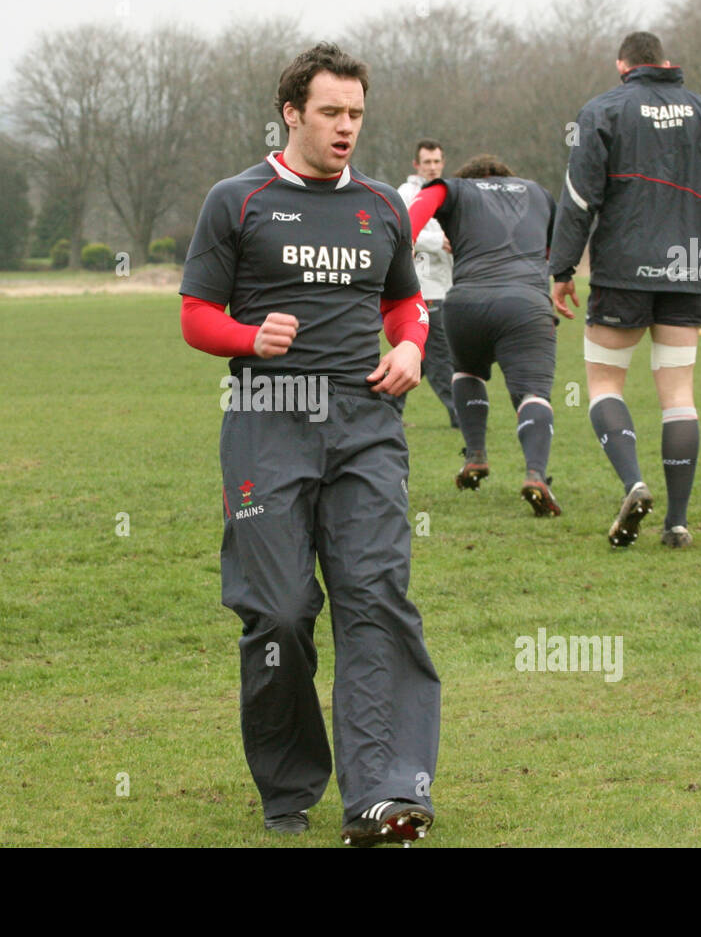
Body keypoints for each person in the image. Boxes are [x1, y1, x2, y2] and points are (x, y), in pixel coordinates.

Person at [178, 43, 441, 847]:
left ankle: (386, 793)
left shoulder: (381, 207)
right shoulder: (238, 200)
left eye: (356, 114)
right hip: (268, 422)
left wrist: (411, 350)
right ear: (292, 112)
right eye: (330, 112)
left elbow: (404, 305)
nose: (345, 128)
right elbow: (195, 315)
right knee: (282, 612)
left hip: (367, 427)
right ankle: (289, 782)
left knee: (376, 598)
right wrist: (251, 337)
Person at [550, 31, 701, 549]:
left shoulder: (603, 110)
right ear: (664, 62)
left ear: (623, 67)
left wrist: (562, 269)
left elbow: (577, 199)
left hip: (621, 272)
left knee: (605, 384)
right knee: (679, 394)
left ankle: (634, 482)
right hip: (691, 271)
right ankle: (677, 523)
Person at [407, 154, 561, 515]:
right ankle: (535, 474)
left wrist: (406, 246)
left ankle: (475, 455)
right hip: (526, 305)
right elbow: (556, 249)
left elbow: (411, 217)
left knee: (467, 371)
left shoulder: (453, 188)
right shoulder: (539, 192)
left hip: (465, 304)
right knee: (532, 394)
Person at [396, 140, 458, 427]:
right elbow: (402, 230)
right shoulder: (407, 193)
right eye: (427, 162)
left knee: (417, 358)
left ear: (443, 162)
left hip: (446, 288)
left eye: (437, 161)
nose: (432, 167)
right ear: (416, 165)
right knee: (440, 358)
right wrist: (438, 242)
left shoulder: (449, 193)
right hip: (422, 288)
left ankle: (386, 410)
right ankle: (460, 415)